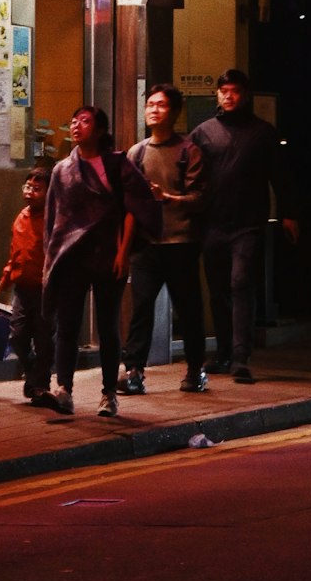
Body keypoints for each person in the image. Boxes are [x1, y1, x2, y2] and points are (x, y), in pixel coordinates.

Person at [42, 105, 162, 418]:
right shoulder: (61, 170)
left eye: (85, 121)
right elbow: (54, 220)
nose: (76, 125)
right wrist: (52, 256)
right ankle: (64, 389)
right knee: (67, 325)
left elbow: (134, 207)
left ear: (99, 130)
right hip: (72, 258)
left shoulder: (117, 164)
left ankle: (109, 394)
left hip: (109, 254)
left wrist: (124, 252)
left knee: (108, 327)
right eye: (73, 120)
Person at [190, 69, 299, 384]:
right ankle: (223, 353)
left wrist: (289, 213)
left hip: (248, 224)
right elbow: (190, 177)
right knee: (218, 290)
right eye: (223, 91)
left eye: (235, 91)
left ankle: (240, 357)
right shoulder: (202, 133)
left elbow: (280, 175)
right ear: (217, 95)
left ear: (245, 95)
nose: (228, 96)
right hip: (212, 224)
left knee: (240, 284)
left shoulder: (262, 133)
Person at [121, 84, 208, 395]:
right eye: (150, 104)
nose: (153, 110)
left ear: (174, 112)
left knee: (188, 309)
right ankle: (133, 371)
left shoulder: (188, 151)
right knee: (141, 307)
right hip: (147, 244)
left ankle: (196, 369)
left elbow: (199, 197)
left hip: (181, 242)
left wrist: (168, 197)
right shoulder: (137, 151)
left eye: (161, 105)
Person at [0, 166, 51, 405]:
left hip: (45, 290)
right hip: (22, 288)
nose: (30, 192)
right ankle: (33, 373)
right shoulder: (21, 217)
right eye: (28, 187)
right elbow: (14, 255)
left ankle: (41, 385)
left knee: (43, 339)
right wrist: (3, 283)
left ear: (50, 192)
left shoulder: (53, 219)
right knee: (17, 336)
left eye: (37, 189)